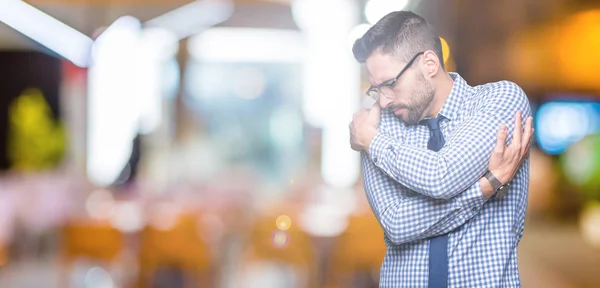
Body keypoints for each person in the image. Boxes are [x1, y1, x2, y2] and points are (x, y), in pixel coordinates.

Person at [348, 11, 533, 288]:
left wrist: (372, 142)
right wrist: (488, 184)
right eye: (376, 90)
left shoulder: (500, 101)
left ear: (430, 64)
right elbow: (397, 224)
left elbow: (442, 176)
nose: (384, 101)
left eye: (390, 84)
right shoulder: (381, 126)